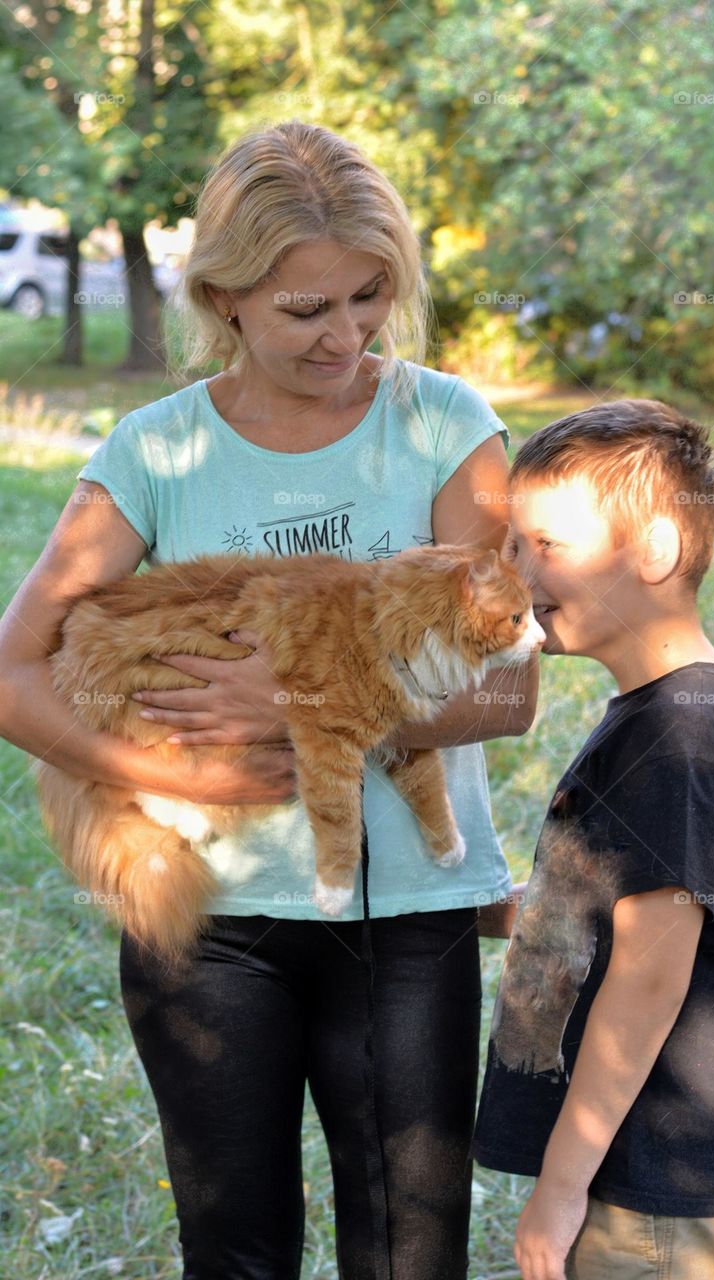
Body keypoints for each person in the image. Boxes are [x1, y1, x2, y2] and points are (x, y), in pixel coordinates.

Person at [0, 119, 538, 1279]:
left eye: (368, 296)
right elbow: (13, 669)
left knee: (409, 1250)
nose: (344, 334)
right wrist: (181, 772)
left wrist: (306, 702)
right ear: (223, 296)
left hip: (407, 917)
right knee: (234, 1247)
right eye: (305, 309)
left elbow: (514, 686)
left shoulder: (445, 425)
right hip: (221, 930)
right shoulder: (154, 452)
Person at [470, 399, 714, 1280]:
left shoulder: (678, 736)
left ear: (653, 550)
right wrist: (467, 916)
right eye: (511, 545)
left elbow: (647, 979)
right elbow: (600, 914)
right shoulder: (666, 712)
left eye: (547, 547)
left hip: (651, 1181)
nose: (517, 571)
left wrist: (561, 1188)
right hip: (638, 1177)